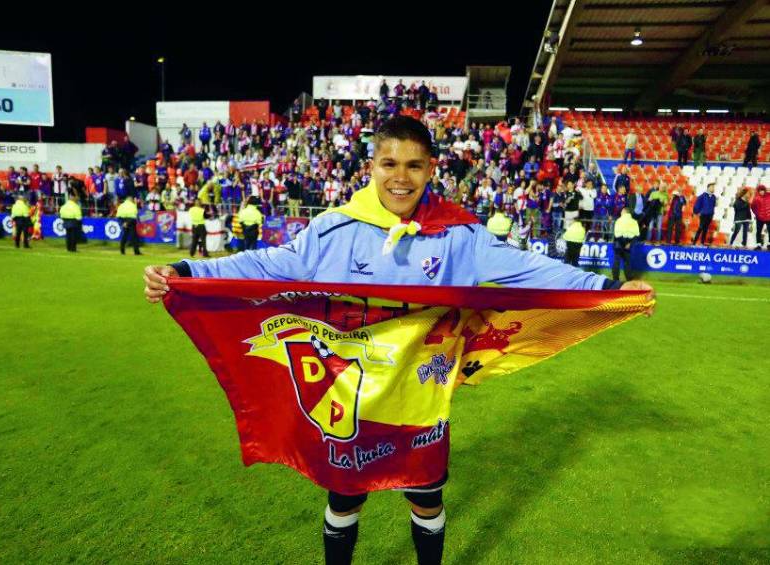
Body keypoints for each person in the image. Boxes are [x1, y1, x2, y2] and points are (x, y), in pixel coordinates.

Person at [143, 117, 654, 565]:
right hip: (349, 398)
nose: (400, 176)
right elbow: (265, 266)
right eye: (388, 163)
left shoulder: (458, 235)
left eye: (413, 165)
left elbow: (529, 269)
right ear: (371, 167)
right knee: (345, 500)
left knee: (426, 499)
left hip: (420, 398)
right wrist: (186, 271)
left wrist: (607, 288)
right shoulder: (334, 230)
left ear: (431, 169)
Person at [612, 208, 639, 281]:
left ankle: (615, 279)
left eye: (621, 211)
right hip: (629, 243)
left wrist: (623, 244)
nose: (620, 212)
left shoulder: (619, 221)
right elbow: (636, 235)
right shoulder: (634, 222)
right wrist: (629, 243)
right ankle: (629, 279)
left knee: (616, 262)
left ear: (624, 212)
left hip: (619, 243)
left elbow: (617, 234)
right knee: (627, 262)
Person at [751, 184, 770, 250]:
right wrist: (757, 214)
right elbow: (752, 207)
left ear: (764, 190)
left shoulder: (769, 196)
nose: (762, 192)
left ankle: (769, 244)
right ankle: (758, 245)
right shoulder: (756, 198)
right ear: (758, 191)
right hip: (759, 218)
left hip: (769, 217)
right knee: (758, 231)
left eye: (763, 190)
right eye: (760, 191)